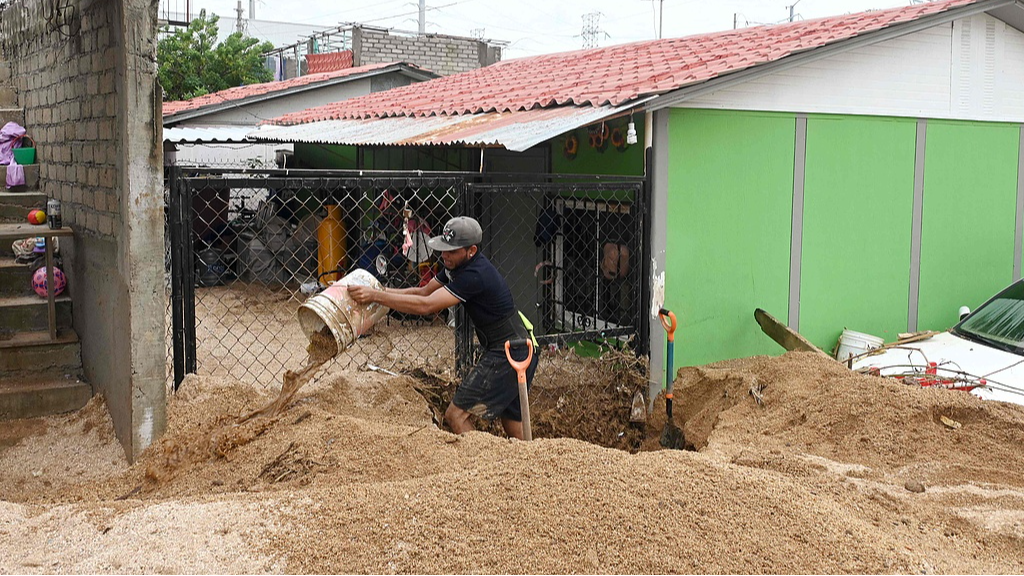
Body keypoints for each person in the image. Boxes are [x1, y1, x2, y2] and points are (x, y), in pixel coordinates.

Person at [348, 216, 539, 440]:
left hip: (510, 352)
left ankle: (487, 465)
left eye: (451, 251)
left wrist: (376, 296)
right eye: (443, 249)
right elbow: (423, 292)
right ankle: (524, 465)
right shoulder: (456, 265)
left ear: (471, 250)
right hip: (517, 347)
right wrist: (380, 291)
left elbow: (426, 306)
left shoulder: (474, 274)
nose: (444, 255)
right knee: (512, 419)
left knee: (456, 416)